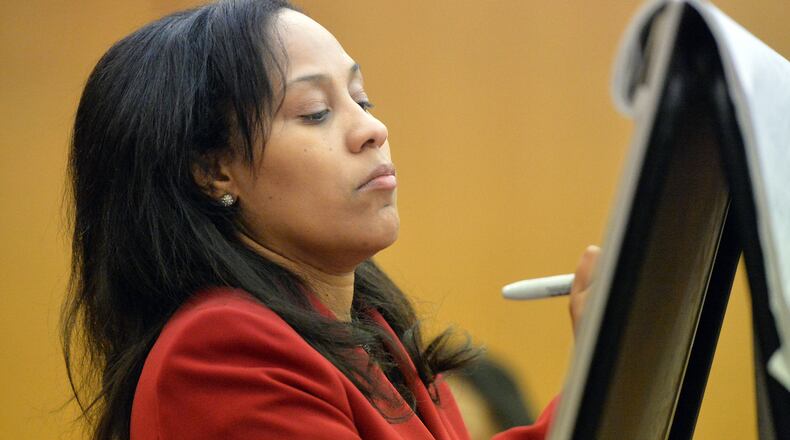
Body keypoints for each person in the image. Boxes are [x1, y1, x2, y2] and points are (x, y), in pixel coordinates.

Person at [61, 1, 599, 439]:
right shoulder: (219, 350)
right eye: (316, 111)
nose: (373, 128)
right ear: (214, 170)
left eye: (361, 98)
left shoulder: (366, 326)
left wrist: (619, 350)